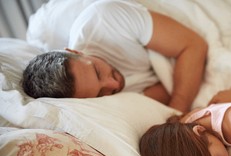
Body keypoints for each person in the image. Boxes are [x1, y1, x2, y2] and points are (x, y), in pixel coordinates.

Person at [22, 0, 208, 113]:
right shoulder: (94, 107)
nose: (114, 85)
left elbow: (193, 45)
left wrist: (179, 110)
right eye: (100, 94)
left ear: (75, 51)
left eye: (98, 72)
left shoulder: (105, 19)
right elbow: (164, 91)